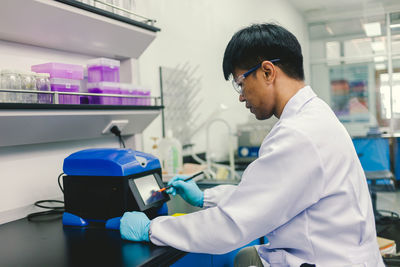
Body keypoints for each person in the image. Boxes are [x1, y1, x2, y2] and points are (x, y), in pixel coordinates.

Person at [120, 23, 384, 266]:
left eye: (240, 83)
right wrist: (205, 197)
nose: (241, 96)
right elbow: (267, 195)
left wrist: (152, 229)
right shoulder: (314, 115)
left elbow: (230, 226)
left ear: (267, 71)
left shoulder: (298, 134)